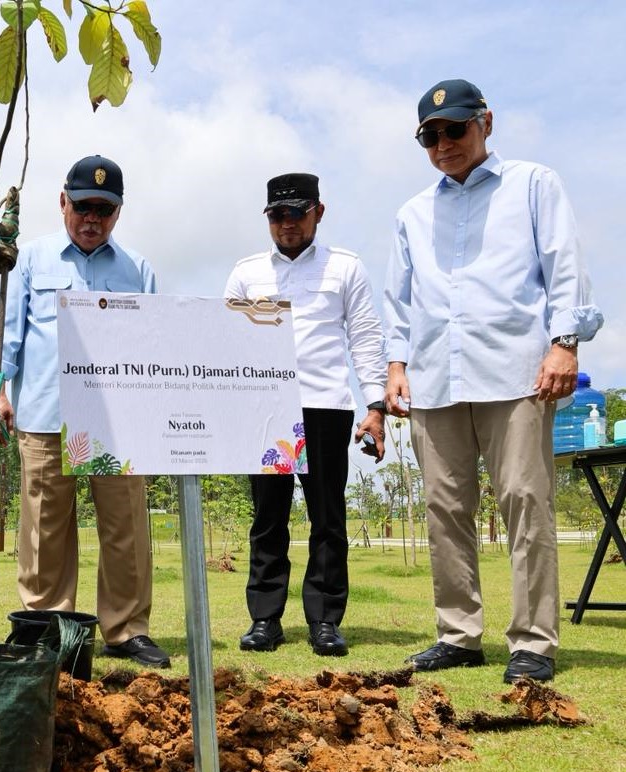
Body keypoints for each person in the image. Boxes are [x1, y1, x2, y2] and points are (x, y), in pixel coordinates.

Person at [385, 79, 603, 683]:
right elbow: (399, 300)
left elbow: (565, 268)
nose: (444, 142)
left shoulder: (534, 184)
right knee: (444, 508)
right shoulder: (412, 212)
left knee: (527, 504)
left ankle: (533, 640)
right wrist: (396, 365)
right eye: (430, 135)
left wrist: (564, 343)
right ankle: (458, 634)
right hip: (434, 377)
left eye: (455, 128)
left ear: (486, 121)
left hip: (516, 372)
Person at [0, 154, 170, 669]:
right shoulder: (31, 259)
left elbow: (155, 343)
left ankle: (125, 630)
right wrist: (1, 390)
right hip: (47, 415)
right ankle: (48, 625)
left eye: (104, 209)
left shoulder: (138, 269)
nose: (92, 218)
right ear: (62, 202)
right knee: (45, 527)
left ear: (118, 212)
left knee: (126, 529)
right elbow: (12, 333)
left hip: (118, 422)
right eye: (82, 207)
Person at [224, 173, 386, 658]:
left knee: (328, 518)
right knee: (268, 520)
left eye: (298, 212)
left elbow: (365, 336)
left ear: (319, 211)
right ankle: (265, 620)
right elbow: (225, 344)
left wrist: (375, 404)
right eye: (278, 214)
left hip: (325, 407)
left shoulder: (345, 268)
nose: (288, 223)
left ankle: (325, 621)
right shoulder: (247, 273)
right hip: (266, 409)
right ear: (267, 218)